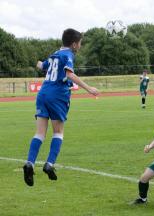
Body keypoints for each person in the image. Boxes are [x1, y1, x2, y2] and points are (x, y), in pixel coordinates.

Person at [23, 28, 99, 186]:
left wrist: (34, 60)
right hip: (57, 96)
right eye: (80, 44)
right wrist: (89, 88)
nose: (80, 46)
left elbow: (42, 65)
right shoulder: (68, 55)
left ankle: (29, 163)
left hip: (42, 94)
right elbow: (69, 74)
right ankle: (49, 164)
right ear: (73, 44)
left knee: (40, 133)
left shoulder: (55, 54)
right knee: (58, 132)